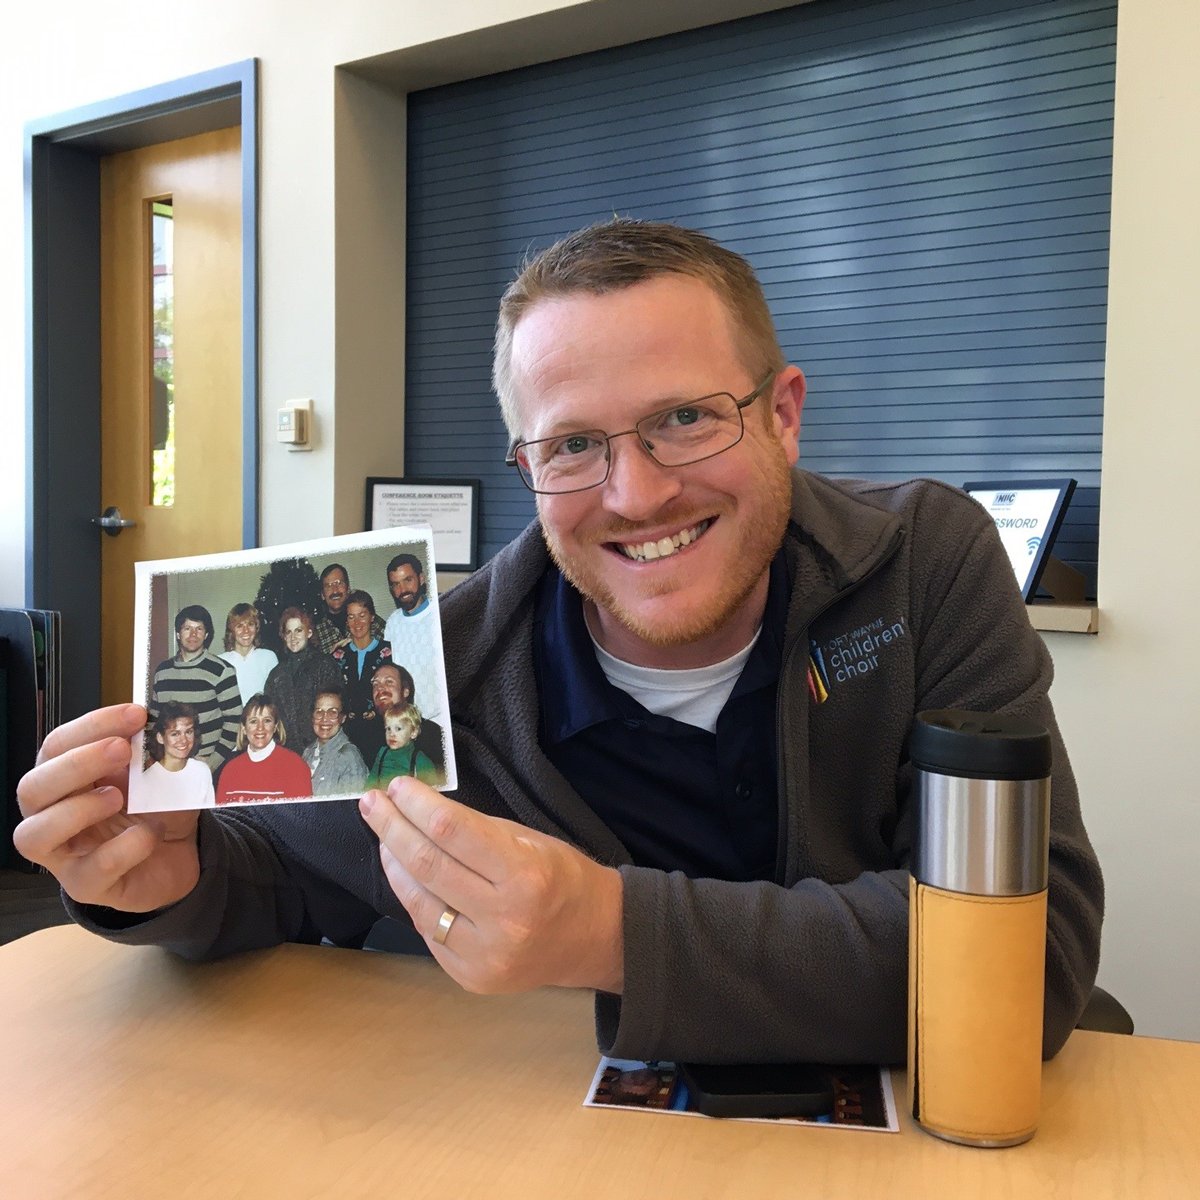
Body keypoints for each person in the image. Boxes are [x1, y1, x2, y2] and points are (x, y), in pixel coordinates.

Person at [14, 218, 1103, 1069]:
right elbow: (291, 880)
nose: (637, 493)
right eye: (576, 443)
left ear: (783, 415)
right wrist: (159, 875)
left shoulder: (923, 564)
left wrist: (611, 931)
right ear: (526, 465)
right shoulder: (436, 667)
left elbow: (1021, 961)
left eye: (685, 417)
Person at [149, 605, 241, 772]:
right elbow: (153, 720)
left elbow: (234, 721)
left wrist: (212, 763)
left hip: (206, 764)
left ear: (206, 635)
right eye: (187, 628)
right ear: (178, 633)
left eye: (199, 629)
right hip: (168, 765)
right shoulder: (162, 672)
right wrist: (154, 758)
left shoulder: (221, 670)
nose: (193, 634)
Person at [262, 608, 341, 754]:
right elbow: (271, 715)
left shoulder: (324, 665)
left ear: (309, 633)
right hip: (287, 752)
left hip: (321, 748)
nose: (293, 637)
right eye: (288, 632)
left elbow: (335, 711)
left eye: (298, 630)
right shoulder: (276, 674)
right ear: (284, 637)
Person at [381, 552, 445, 726]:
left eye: (408, 580)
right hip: (406, 721)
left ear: (421, 579)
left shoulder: (440, 613)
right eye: (395, 584)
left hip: (440, 718)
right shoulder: (393, 622)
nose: (402, 590)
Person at [216, 694, 312, 805]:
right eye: (253, 721)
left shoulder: (295, 766)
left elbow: (302, 817)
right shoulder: (230, 770)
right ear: (244, 728)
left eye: (267, 721)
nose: (260, 728)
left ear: (275, 726)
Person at [333, 590, 392, 757]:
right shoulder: (338, 655)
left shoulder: (388, 651)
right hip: (347, 739)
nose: (357, 622)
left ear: (372, 617)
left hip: (382, 735)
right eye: (351, 617)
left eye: (362, 615)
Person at [365, 663, 447, 775]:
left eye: (389, 682)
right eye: (375, 684)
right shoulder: (366, 734)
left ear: (405, 692)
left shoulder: (432, 733)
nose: (379, 688)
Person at [140, 703, 215, 811]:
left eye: (188, 732)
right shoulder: (147, 781)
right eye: (175, 734)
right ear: (160, 738)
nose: (184, 740)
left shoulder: (202, 770)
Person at [303, 687, 369, 797]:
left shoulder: (349, 756)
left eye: (332, 712)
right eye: (319, 712)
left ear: (343, 718)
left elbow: (350, 807)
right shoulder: (308, 752)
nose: (324, 719)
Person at [314, 564, 385, 655]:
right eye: (328, 586)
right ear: (322, 595)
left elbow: (392, 649)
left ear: (348, 588)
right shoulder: (317, 631)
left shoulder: (369, 620)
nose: (335, 590)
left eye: (339, 583)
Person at [366, 703, 441, 790]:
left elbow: (432, 792)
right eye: (388, 728)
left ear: (413, 733)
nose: (391, 734)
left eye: (398, 729)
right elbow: (371, 781)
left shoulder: (420, 759)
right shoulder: (382, 752)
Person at [219, 603, 279, 705]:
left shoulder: (268, 657)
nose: (246, 631)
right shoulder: (221, 661)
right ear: (232, 631)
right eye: (239, 626)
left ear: (256, 627)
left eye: (250, 624)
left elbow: (277, 698)